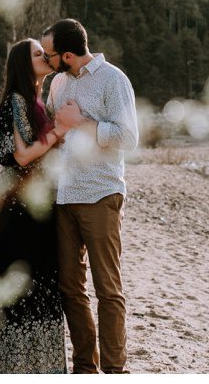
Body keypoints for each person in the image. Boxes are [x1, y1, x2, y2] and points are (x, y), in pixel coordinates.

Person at [41, 19, 138, 375]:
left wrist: (81, 122)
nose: (48, 61)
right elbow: (55, 132)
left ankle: (115, 371)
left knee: (107, 289)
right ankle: (85, 369)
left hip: (101, 194)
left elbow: (128, 137)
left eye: (51, 55)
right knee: (70, 288)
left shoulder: (114, 79)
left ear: (68, 54)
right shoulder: (57, 82)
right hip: (64, 197)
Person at [0, 38, 69, 374]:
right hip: (18, 207)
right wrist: (61, 129)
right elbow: (22, 155)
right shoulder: (18, 101)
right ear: (23, 63)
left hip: (36, 203)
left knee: (42, 286)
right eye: (38, 54)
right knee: (22, 288)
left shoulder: (36, 101)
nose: (46, 57)